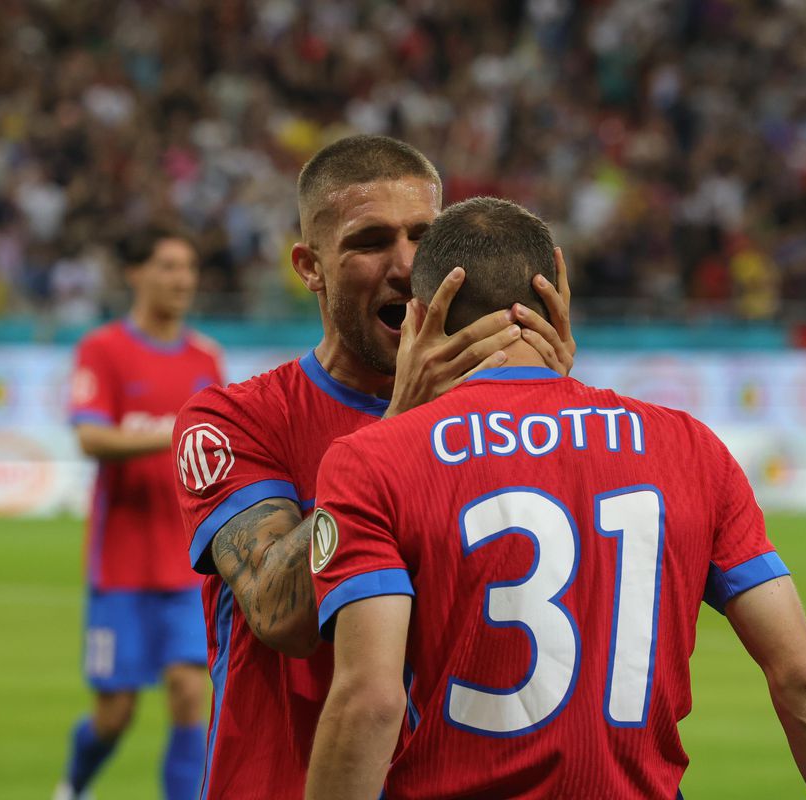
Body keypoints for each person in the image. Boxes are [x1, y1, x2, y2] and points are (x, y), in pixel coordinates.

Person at [306, 197, 806, 800]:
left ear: (420, 314)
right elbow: (803, 677)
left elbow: (369, 699)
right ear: (558, 296)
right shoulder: (688, 446)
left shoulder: (373, 459)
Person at [172, 136, 575, 799]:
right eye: (370, 241)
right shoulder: (235, 420)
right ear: (310, 266)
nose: (407, 264)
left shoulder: (490, 427)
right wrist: (400, 423)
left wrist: (542, 409)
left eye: (425, 235)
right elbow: (282, 618)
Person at [57, 228, 225, 800]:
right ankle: (72, 786)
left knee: (188, 691)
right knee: (115, 714)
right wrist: (169, 431)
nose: (182, 280)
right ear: (135, 274)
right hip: (122, 565)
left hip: (187, 565)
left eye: (189, 268)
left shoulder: (206, 357)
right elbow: (90, 436)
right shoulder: (103, 350)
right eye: (168, 266)